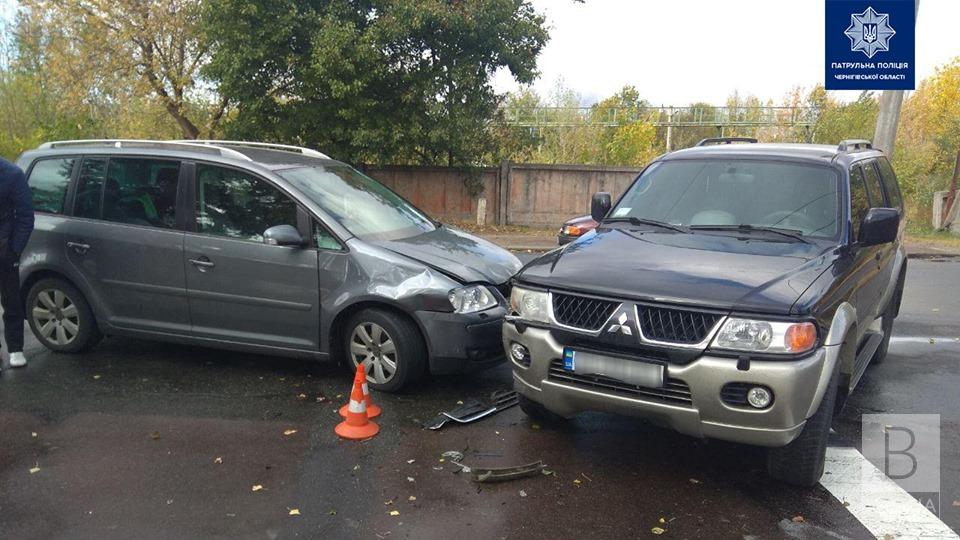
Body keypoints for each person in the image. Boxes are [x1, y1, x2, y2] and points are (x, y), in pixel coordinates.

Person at [0, 157, 35, 371]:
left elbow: (25, 216)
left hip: (5, 249)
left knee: (11, 299)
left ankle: (15, 349)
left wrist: (15, 250)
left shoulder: (12, 174)